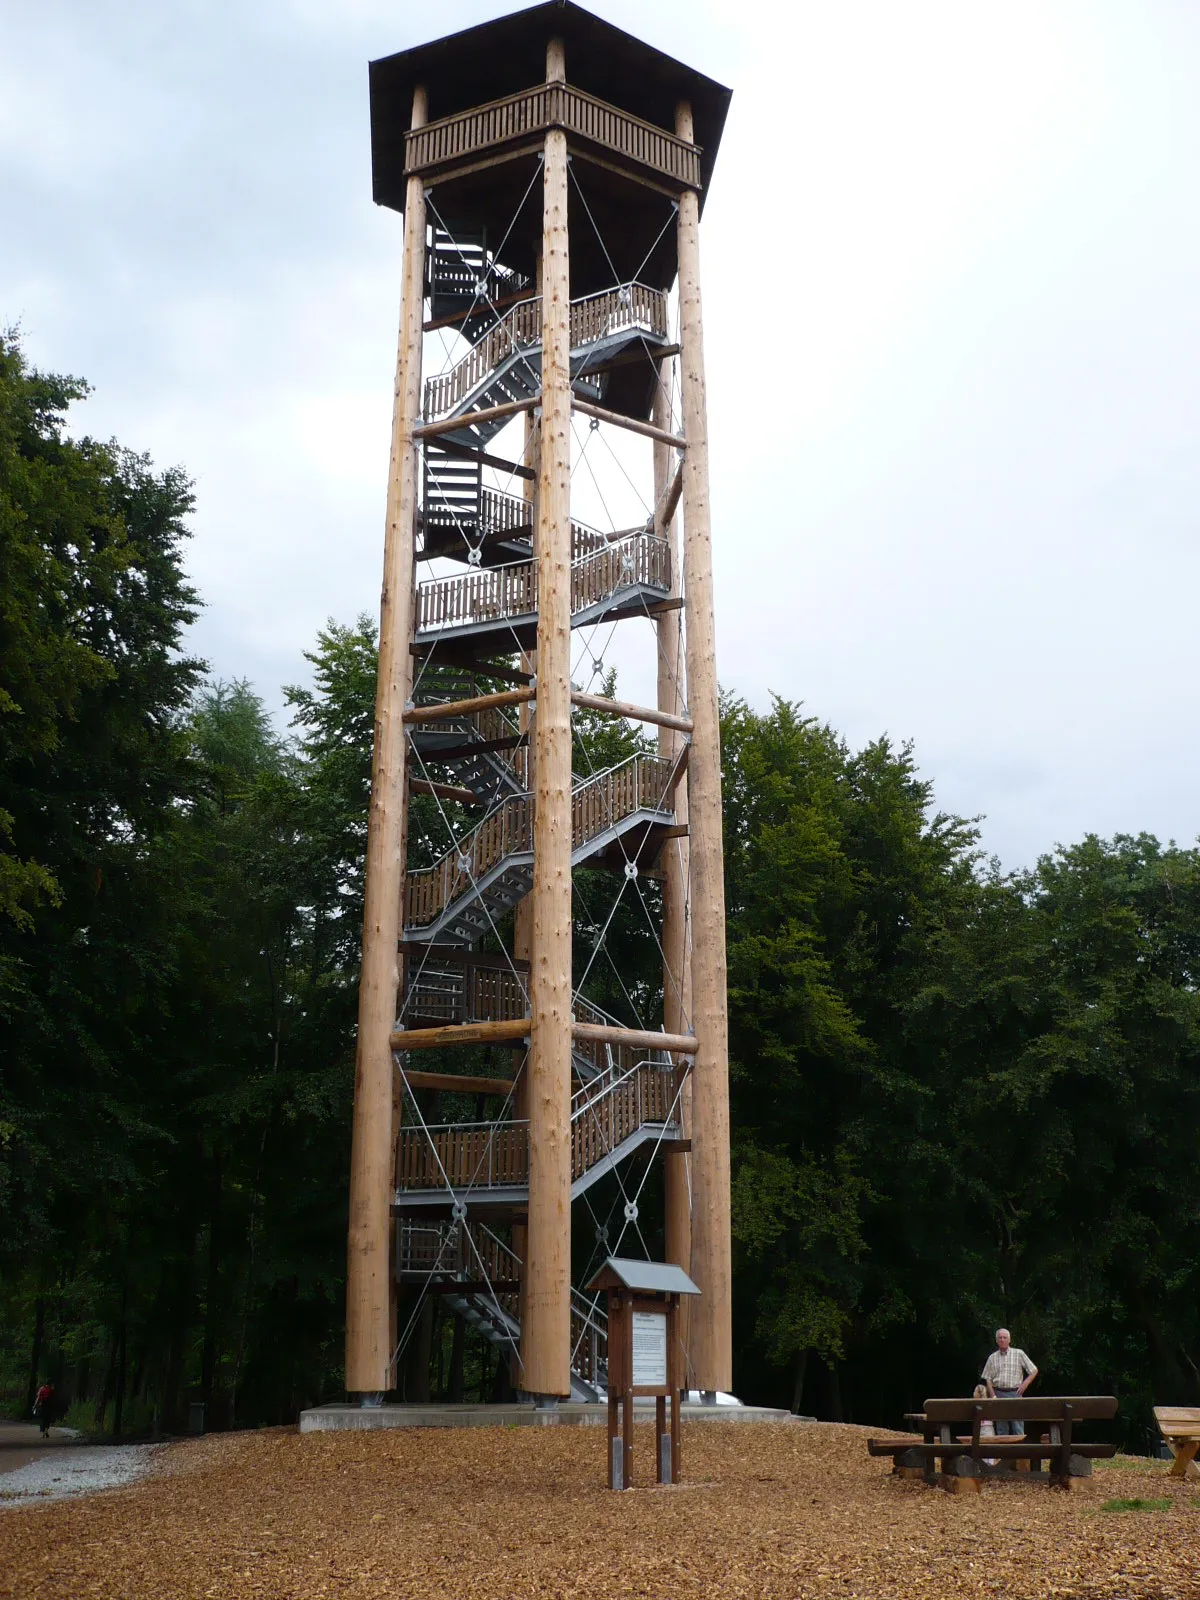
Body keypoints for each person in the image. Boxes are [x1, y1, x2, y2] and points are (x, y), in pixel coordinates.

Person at [981, 1328, 1037, 1436]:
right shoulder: (992, 1358)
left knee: (1018, 1427)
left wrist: (1025, 1383)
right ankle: (1003, 1452)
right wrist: (993, 1396)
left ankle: (1019, 1453)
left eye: (1004, 1337)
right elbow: (987, 1378)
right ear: (996, 1341)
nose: (1002, 1340)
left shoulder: (1019, 1353)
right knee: (1001, 1428)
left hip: (1015, 1393)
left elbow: (1034, 1370)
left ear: (1009, 1340)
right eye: (1000, 1338)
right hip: (999, 1394)